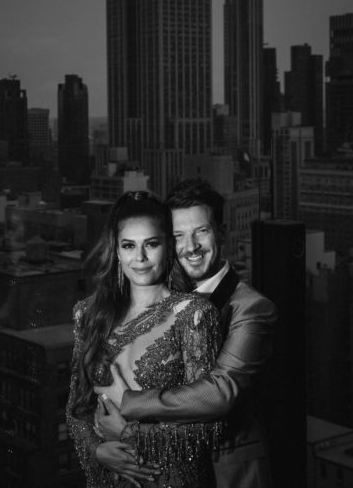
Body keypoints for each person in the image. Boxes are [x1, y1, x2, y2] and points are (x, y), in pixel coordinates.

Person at [96, 178, 278, 488]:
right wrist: (101, 445)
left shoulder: (251, 308)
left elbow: (220, 392)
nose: (190, 247)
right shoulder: (158, 300)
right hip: (166, 471)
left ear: (221, 231)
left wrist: (126, 404)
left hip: (227, 474)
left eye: (201, 232)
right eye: (178, 236)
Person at [66, 190, 225, 487]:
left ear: (168, 246)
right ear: (116, 251)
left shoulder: (193, 315)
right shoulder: (87, 314)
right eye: (129, 246)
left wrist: (131, 435)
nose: (139, 258)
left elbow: (211, 428)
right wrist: (98, 450)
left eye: (151, 244)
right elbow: (76, 410)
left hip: (173, 479)